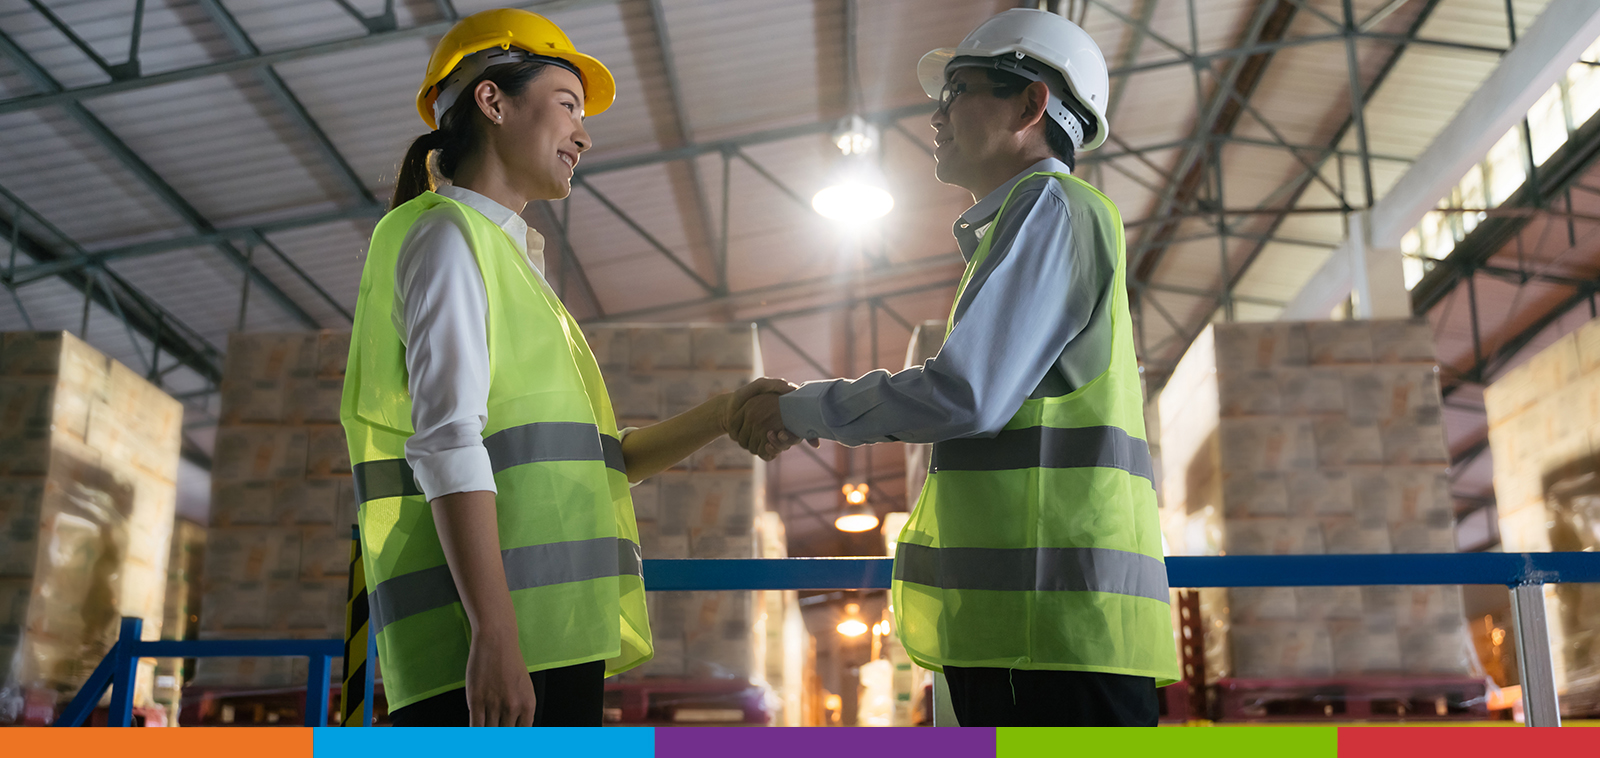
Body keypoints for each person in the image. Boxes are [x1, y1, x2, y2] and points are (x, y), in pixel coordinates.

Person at [340, 8, 792, 727]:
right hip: (485, 649)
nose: (584, 133)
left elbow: (589, 464)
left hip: (547, 638)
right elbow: (447, 444)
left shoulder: (514, 266)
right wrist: (494, 634)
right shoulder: (447, 240)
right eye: (567, 105)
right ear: (492, 101)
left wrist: (722, 413)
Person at [730, 9, 1180, 726]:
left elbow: (966, 395)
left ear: (1032, 103)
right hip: (1041, 631)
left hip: (1047, 634)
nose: (935, 116)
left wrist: (797, 409)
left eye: (958, 90)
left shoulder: (1053, 209)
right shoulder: (1028, 222)